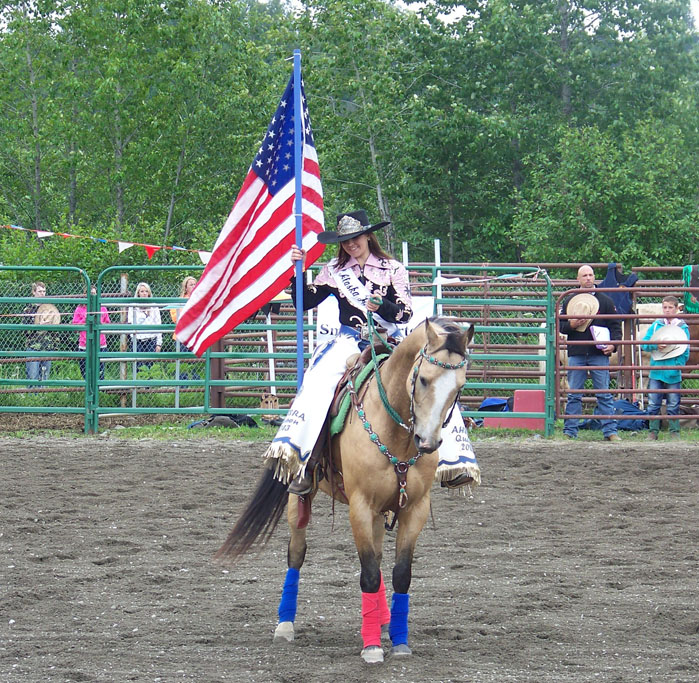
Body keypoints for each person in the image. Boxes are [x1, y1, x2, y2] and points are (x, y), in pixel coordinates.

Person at [264, 210, 479, 495]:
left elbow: (404, 313)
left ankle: (454, 461)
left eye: (355, 238)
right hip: (348, 341)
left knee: (436, 380)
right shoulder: (334, 271)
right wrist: (299, 271)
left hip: (391, 342)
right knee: (319, 383)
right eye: (345, 241)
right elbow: (306, 301)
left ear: (368, 236)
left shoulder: (393, 269)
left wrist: (383, 307)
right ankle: (307, 460)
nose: (351, 244)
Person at [560, 265, 622, 441]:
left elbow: (615, 327)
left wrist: (614, 344)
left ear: (594, 277)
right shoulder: (569, 300)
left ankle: (610, 431)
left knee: (603, 392)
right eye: (584, 275)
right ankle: (570, 431)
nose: (588, 278)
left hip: (598, 353)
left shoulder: (606, 301)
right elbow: (561, 326)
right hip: (577, 352)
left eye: (590, 275)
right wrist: (571, 325)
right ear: (578, 279)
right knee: (574, 393)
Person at [640, 296, 690, 440]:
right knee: (653, 402)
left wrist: (678, 365)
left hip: (673, 371)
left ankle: (674, 431)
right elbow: (644, 343)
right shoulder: (656, 325)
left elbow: (685, 350)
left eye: (670, 307)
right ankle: (653, 431)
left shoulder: (682, 327)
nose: (667, 310)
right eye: (665, 307)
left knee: (673, 403)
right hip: (656, 370)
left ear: (676, 309)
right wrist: (655, 345)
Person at [71, 286, 111, 381]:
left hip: (100, 344)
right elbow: (75, 327)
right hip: (85, 344)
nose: (93, 295)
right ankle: (89, 388)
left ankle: (100, 391)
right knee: (84, 369)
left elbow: (107, 324)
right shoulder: (80, 309)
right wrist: (86, 320)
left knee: (100, 369)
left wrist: (99, 323)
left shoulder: (102, 308)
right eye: (90, 293)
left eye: (94, 293)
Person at [24, 281, 57, 384]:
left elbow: (56, 331)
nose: (42, 293)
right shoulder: (28, 309)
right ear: (33, 292)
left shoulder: (50, 309)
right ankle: (32, 398)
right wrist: (38, 325)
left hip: (47, 347)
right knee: (32, 376)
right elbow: (26, 331)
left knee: (45, 377)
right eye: (39, 291)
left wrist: (55, 345)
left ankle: (44, 398)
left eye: (44, 291)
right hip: (33, 347)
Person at [169, 276, 200, 381]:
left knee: (195, 360)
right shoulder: (180, 300)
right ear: (186, 287)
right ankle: (183, 385)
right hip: (181, 336)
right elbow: (175, 317)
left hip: (195, 335)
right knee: (182, 360)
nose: (194, 286)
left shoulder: (200, 299)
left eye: (195, 284)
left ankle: (196, 383)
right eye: (191, 284)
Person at [127, 282, 162, 371]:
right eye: (142, 291)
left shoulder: (154, 306)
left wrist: (159, 343)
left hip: (151, 340)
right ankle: (138, 384)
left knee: (150, 367)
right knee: (138, 367)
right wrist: (145, 315)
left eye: (146, 291)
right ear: (138, 293)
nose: (144, 293)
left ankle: (148, 385)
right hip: (137, 340)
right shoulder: (133, 306)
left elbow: (158, 325)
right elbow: (132, 322)